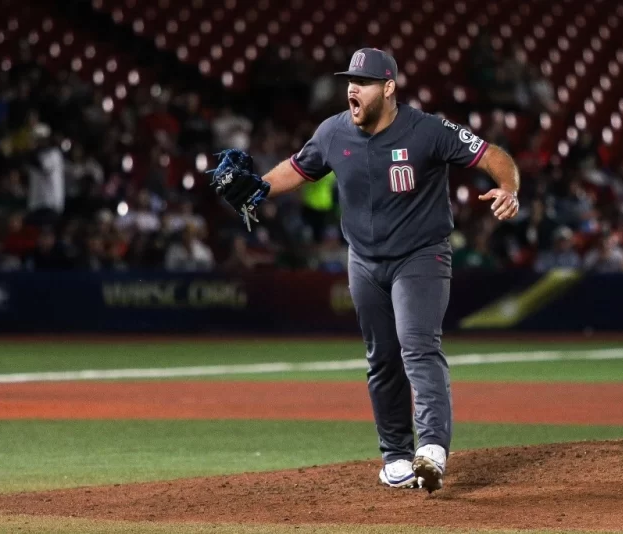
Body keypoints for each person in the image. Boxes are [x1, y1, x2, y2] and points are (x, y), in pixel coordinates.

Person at [211, 48, 521, 492]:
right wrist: (259, 188)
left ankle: (431, 448)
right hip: (364, 260)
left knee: (417, 345)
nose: (352, 88)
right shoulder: (334, 131)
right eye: (349, 81)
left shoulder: (427, 130)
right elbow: (299, 169)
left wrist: (507, 187)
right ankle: (395, 455)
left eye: (363, 81)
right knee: (382, 360)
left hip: (421, 256)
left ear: (389, 88)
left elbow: (492, 155)